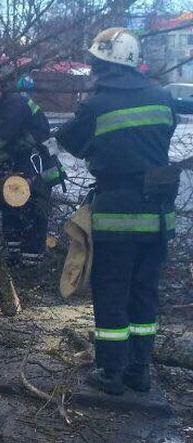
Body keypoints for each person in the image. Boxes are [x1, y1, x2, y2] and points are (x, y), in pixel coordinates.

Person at [56, 28, 177, 395]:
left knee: (111, 291)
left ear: (102, 63)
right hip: (157, 214)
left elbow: (68, 141)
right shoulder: (162, 98)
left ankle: (110, 373)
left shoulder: (97, 104)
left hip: (117, 214)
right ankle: (139, 372)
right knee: (144, 292)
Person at [0, 65, 62, 266]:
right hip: (24, 160)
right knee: (11, 203)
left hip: (38, 163)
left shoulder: (13, 104)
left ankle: (31, 262)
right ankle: (13, 255)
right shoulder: (5, 104)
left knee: (33, 209)